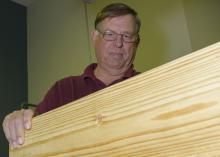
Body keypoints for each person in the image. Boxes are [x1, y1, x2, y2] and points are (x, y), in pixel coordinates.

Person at [2, 2, 141, 149]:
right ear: (94, 37)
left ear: (136, 42)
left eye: (127, 36)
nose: (118, 43)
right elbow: (33, 136)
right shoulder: (62, 89)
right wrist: (20, 121)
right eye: (110, 34)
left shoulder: (150, 87)